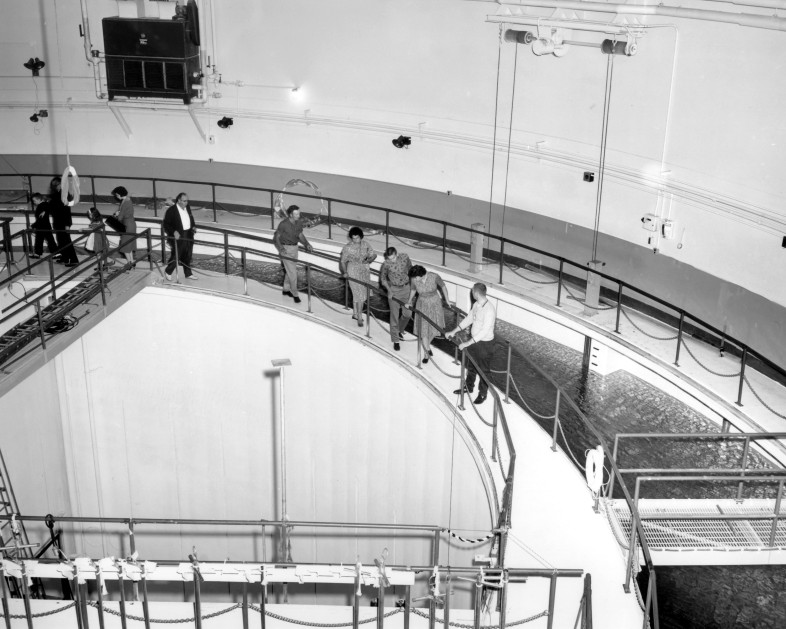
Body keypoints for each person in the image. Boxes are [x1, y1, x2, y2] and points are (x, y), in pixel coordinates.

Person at [447, 283, 497, 405]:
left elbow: (484, 331)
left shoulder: (489, 310)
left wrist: (467, 343)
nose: (471, 293)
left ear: (476, 293)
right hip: (475, 341)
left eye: (472, 291)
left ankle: (483, 394)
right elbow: (469, 319)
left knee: (483, 370)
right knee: (471, 366)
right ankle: (468, 387)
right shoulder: (476, 305)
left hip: (485, 344)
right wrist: (454, 331)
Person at [405, 265, 449, 364]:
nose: (415, 279)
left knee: (436, 327)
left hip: (435, 304)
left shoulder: (434, 276)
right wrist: (409, 301)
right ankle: (426, 353)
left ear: (421, 275)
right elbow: (413, 290)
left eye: (416, 277)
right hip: (422, 304)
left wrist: (447, 300)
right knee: (424, 329)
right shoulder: (414, 279)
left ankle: (427, 346)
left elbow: (443, 286)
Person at [273, 205, 313, 304]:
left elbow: (300, 235)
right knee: (293, 273)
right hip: (286, 249)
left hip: (295, 248)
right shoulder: (283, 224)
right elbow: (276, 237)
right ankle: (295, 294)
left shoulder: (299, 223)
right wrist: (281, 248)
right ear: (290, 214)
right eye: (296, 214)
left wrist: (307, 244)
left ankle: (286, 289)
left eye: (299, 213)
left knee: (289, 271)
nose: (298, 215)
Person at [340, 227, 377, 326]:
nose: (355, 240)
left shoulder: (366, 244)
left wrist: (369, 260)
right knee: (360, 295)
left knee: (360, 294)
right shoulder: (347, 247)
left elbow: (374, 255)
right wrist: (345, 272)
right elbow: (343, 261)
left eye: (357, 238)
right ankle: (360, 317)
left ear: (361, 237)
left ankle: (355, 313)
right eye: (353, 238)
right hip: (352, 271)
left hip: (364, 271)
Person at [379, 246, 412, 351]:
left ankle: (399, 330)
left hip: (406, 289)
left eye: (393, 258)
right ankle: (396, 340)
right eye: (389, 258)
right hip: (394, 291)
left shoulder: (405, 257)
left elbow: (411, 270)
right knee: (394, 316)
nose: (391, 260)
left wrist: (413, 288)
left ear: (396, 254)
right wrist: (389, 290)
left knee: (408, 314)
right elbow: (383, 279)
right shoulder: (386, 264)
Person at [163, 192, 197, 280]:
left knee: (188, 254)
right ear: (179, 200)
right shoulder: (171, 210)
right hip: (178, 236)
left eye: (187, 201)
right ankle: (168, 271)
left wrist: (193, 226)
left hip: (188, 234)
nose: (186, 203)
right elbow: (166, 225)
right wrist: (174, 232)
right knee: (177, 255)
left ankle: (188, 273)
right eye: (184, 201)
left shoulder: (187, 207)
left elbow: (191, 218)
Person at [48, 177, 79, 267]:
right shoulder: (58, 194)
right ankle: (65, 257)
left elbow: (66, 211)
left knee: (66, 241)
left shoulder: (63, 194)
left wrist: (67, 224)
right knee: (61, 241)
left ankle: (73, 260)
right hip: (58, 221)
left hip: (63, 221)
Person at [112, 186, 137, 266]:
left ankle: (129, 263)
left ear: (119, 194)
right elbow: (125, 211)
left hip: (127, 225)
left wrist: (116, 215)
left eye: (116, 194)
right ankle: (132, 261)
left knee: (125, 246)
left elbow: (120, 217)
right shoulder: (128, 199)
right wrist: (120, 212)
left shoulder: (125, 202)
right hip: (132, 224)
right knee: (129, 245)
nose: (116, 196)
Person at [29, 192, 56, 259]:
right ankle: (55, 253)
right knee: (45, 240)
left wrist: (32, 226)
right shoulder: (44, 205)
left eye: (34, 201)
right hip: (45, 226)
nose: (34, 202)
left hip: (42, 226)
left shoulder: (42, 206)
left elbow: (40, 219)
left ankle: (38, 253)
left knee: (44, 240)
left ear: (39, 199)